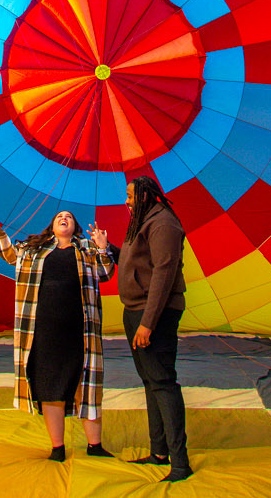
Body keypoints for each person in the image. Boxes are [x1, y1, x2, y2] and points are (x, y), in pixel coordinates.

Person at [0, 202, 117, 461]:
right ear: (52, 226)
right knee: (50, 388)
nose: (64, 218)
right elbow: (9, 253)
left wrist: (102, 246)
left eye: (69, 217)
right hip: (43, 332)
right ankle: (57, 447)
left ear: (75, 227)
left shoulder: (86, 249)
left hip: (80, 332)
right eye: (59, 217)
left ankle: (95, 445)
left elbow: (106, 273)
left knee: (86, 385)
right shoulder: (34, 250)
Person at [111, 175, 191, 482]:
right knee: (150, 381)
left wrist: (148, 323)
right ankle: (159, 452)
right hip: (135, 311)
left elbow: (163, 274)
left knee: (162, 381)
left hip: (153, 314)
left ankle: (180, 464)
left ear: (144, 197)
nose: (126, 201)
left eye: (130, 196)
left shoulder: (163, 224)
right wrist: (111, 250)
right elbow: (137, 265)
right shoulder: (142, 223)